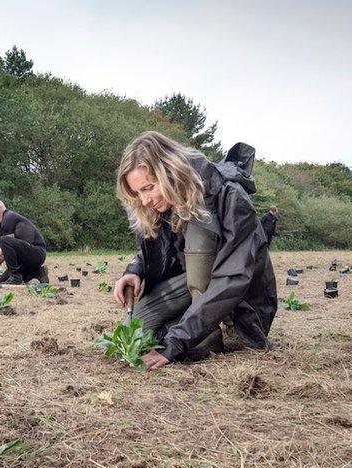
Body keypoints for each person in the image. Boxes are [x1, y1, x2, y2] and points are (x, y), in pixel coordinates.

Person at [111, 131, 277, 369]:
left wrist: (175, 343)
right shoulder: (163, 203)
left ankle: (204, 335)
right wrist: (135, 269)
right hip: (191, 284)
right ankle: (191, 329)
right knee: (136, 329)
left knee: (181, 342)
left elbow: (233, 277)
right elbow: (167, 251)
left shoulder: (231, 197)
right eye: (138, 193)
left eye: (148, 188)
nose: (144, 200)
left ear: (170, 172)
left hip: (238, 299)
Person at [0, 199, 49, 285]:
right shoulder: (2, 223)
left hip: (36, 254)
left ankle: (16, 276)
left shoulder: (9, 217)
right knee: (1, 282)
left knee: (3, 240)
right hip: (27, 259)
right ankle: (38, 272)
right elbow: (4, 252)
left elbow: (2, 247)